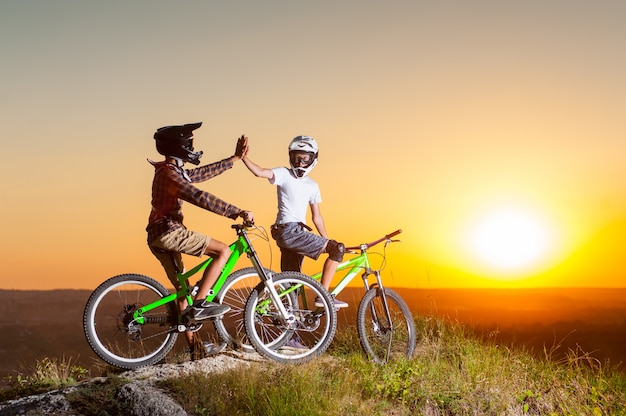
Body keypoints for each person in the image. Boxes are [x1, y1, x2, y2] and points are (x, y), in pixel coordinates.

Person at [146, 122, 254, 358]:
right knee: (223, 251)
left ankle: (196, 348)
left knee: (182, 291)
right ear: (181, 146)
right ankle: (202, 303)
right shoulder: (169, 174)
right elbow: (198, 196)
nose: (194, 146)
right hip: (169, 231)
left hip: (156, 235)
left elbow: (201, 174)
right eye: (190, 143)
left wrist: (234, 159)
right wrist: (236, 211)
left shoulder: (171, 170)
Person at [241, 135, 347, 309]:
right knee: (338, 249)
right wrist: (244, 157)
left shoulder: (312, 185)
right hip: (290, 231)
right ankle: (324, 297)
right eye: (296, 158)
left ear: (313, 159)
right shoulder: (284, 174)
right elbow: (260, 172)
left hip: (292, 233)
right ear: (290, 157)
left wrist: (326, 240)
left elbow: (317, 217)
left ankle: (290, 333)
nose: (300, 163)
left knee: (292, 284)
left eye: (305, 159)